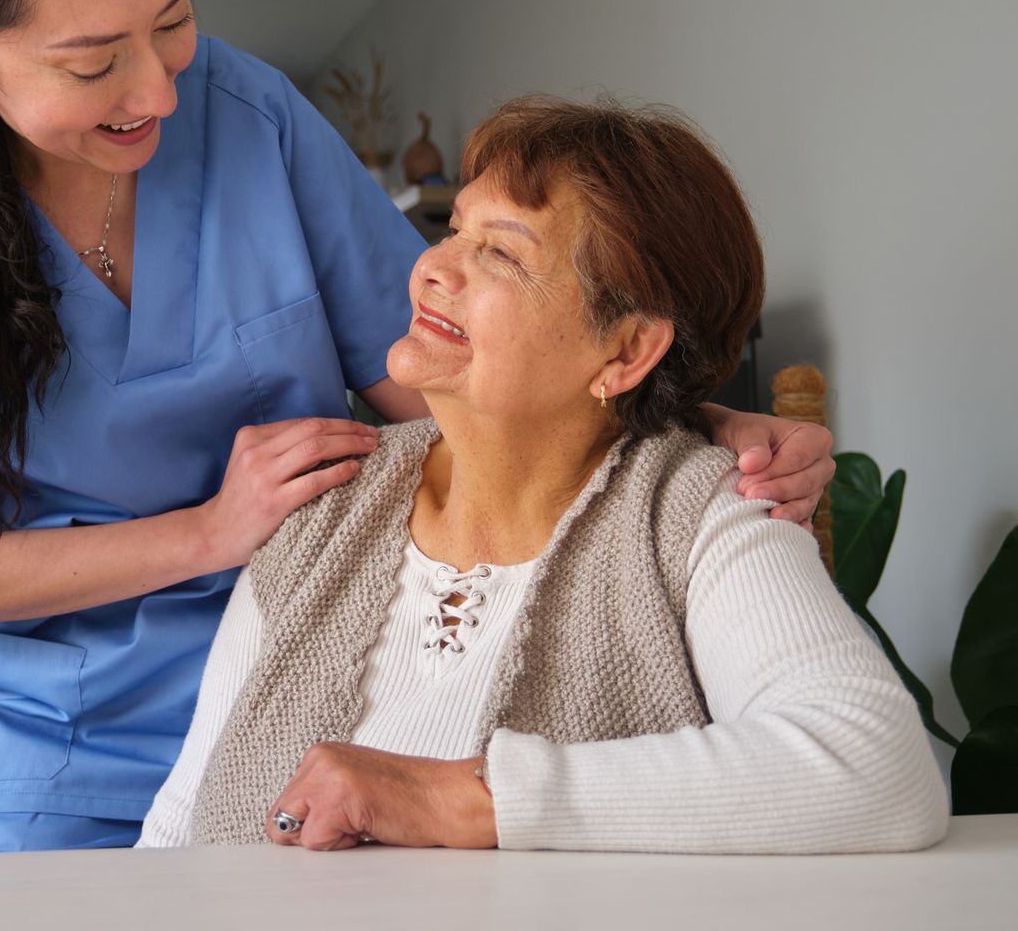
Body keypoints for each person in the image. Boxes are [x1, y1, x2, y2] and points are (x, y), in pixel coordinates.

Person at [0, 0, 837, 853]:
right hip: (65, 757)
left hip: (321, 711)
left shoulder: (250, 116)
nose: (159, 87)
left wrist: (694, 421)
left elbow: (458, 371)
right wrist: (211, 530)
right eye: (92, 62)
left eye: (172, 18)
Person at [137, 98, 948, 853]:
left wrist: (470, 800)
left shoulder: (696, 516)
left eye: (499, 253)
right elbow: (179, 825)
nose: (432, 268)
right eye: (453, 230)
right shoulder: (319, 503)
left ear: (626, 351)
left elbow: (877, 766)